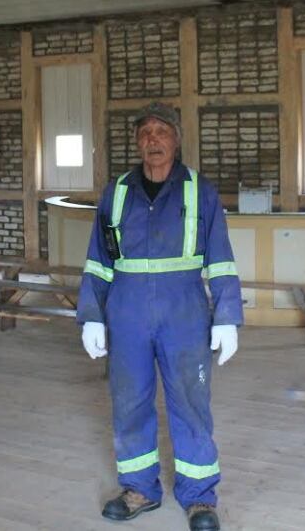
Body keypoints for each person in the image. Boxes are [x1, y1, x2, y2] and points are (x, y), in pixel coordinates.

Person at [76, 102, 243, 531]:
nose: (153, 139)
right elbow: (100, 259)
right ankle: (139, 489)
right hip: (127, 313)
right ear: (137, 142)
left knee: (190, 403)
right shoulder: (116, 193)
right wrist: (92, 314)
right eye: (145, 132)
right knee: (130, 403)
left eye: (161, 131)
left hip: (184, 312)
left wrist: (226, 315)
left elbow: (221, 259)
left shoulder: (200, 191)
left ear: (177, 139)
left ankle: (199, 497)